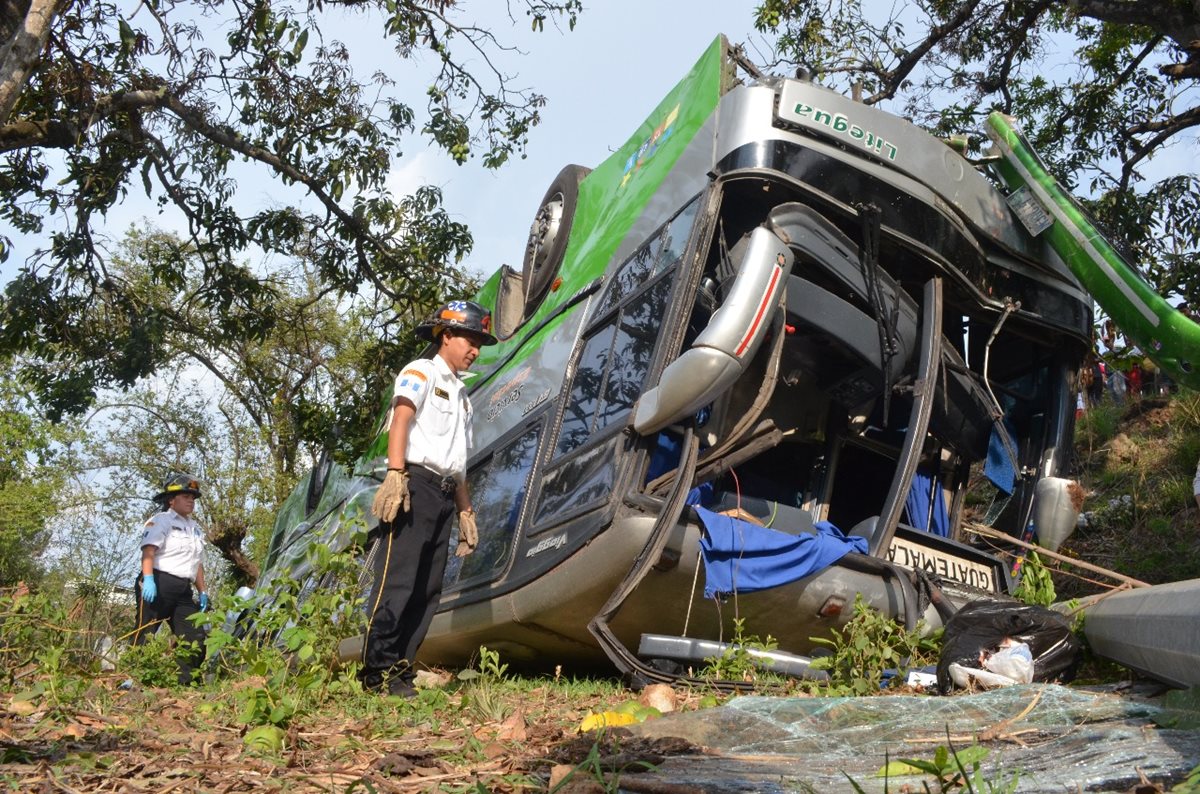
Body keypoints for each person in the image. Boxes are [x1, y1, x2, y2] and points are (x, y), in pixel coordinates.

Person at [362, 300, 496, 697]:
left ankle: (402, 671)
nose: (475, 349)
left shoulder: (463, 396)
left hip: (443, 494)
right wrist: (394, 473)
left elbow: (458, 462)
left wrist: (465, 510)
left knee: (428, 589)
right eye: (470, 339)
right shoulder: (419, 371)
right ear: (446, 335)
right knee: (397, 581)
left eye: (480, 344)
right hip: (412, 485)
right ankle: (377, 673)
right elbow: (401, 419)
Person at [133, 473, 210, 685]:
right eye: (186, 496)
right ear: (171, 500)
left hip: (183, 588)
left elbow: (197, 563)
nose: (191, 501)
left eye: (193, 497)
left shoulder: (194, 529)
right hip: (158, 582)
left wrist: (202, 590)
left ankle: (186, 682)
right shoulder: (161, 521)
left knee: (194, 636)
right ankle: (133, 679)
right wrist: (148, 579)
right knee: (146, 632)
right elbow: (148, 551)